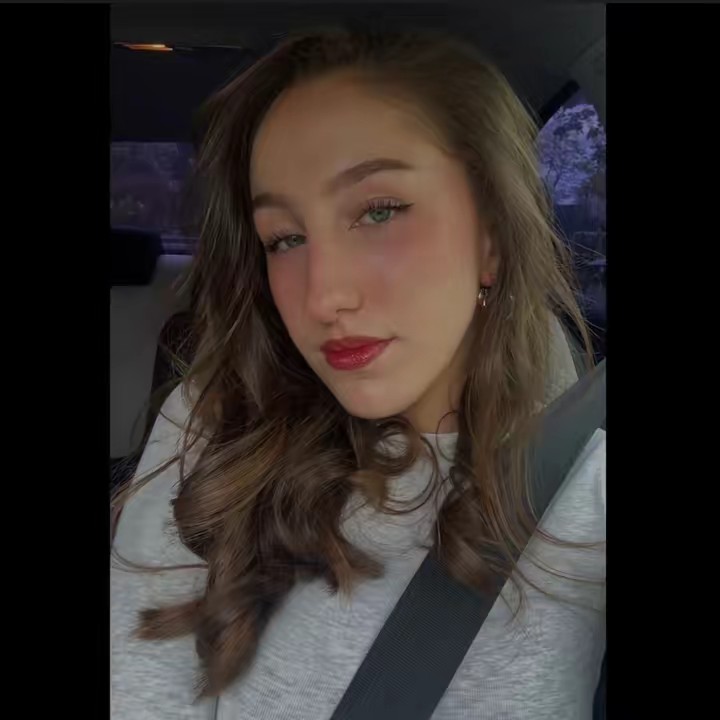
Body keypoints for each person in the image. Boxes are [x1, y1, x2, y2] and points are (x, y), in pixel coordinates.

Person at [111, 29, 606, 720]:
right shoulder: (219, 422)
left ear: (492, 234)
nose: (323, 297)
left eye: (379, 211)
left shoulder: (583, 470)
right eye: (284, 238)